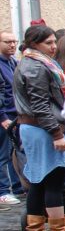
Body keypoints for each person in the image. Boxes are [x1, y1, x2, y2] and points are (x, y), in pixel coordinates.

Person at [15, 24, 65, 231]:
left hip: (36, 128)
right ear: (34, 43)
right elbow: (40, 105)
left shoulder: (32, 63)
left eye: (54, 42)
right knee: (54, 181)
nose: (54, 46)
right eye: (48, 43)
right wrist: (57, 134)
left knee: (39, 181)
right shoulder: (36, 67)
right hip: (43, 129)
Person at [0, 31, 22, 206]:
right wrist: (3, 117)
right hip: (4, 116)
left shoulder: (13, 62)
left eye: (14, 41)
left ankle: (17, 186)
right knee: (3, 155)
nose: (13, 45)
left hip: (15, 115)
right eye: (8, 42)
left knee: (15, 152)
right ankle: (4, 191)